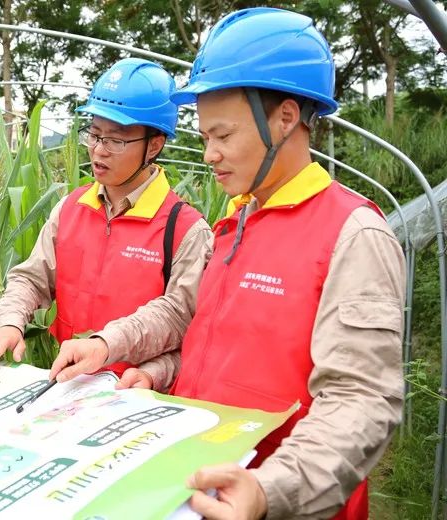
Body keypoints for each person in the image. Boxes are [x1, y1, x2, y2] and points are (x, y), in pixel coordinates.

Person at [50, 8, 405, 520]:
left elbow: (361, 399)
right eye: (205, 138)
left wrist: (271, 490)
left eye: (223, 135)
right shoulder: (235, 223)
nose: (211, 154)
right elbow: (191, 324)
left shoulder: (352, 233)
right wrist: (124, 354)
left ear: (285, 118)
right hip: (201, 482)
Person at [0, 58, 213, 390]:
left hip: (136, 395)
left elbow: (184, 322)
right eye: (94, 134)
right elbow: (31, 278)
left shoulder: (185, 230)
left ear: (154, 145)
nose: (99, 150)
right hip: (68, 388)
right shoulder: (71, 208)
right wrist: (10, 324)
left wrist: (144, 368)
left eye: (116, 140)